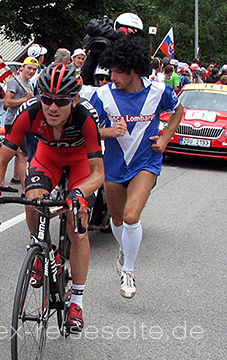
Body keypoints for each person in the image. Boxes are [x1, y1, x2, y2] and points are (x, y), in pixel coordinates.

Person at [0, 63, 104, 333]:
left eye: (60, 102)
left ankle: (77, 300)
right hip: (47, 157)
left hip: (79, 163)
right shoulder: (29, 113)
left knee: (77, 225)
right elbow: (0, 160)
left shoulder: (86, 118)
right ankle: (40, 249)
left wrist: (79, 193)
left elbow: (98, 174)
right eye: (46, 99)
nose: (52, 107)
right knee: (33, 198)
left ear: (74, 100)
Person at [89, 37, 183, 299]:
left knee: (131, 216)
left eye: (118, 71)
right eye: (110, 70)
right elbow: (89, 128)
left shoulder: (158, 91)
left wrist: (165, 139)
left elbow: (178, 111)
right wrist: (108, 131)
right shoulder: (103, 95)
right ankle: (124, 251)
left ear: (133, 70)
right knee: (117, 219)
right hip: (114, 164)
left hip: (146, 162)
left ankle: (128, 270)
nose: (112, 76)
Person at [3, 56, 38, 188]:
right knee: (23, 155)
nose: (31, 71)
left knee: (16, 155)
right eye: (29, 68)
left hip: (24, 123)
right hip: (13, 122)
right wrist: (25, 99)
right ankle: (26, 188)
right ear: (22, 68)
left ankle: (12, 179)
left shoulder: (29, 84)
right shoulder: (14, 82)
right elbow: (7, 103)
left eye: (34, 69)